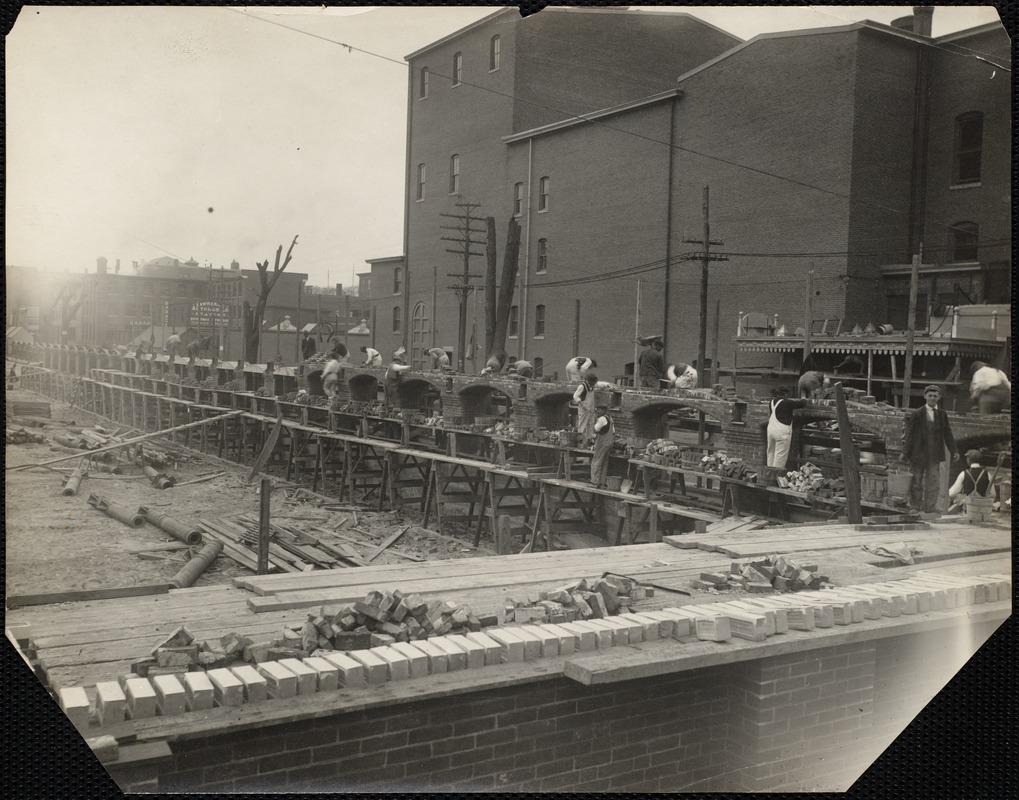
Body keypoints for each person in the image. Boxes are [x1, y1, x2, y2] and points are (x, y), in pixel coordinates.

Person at [901, 384, 959, 513]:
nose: (932, 398)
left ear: (939, 397)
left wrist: (954, 450)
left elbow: (947, 434)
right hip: (918, 454)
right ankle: (915, 506)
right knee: (916, 481)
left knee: (934, 483)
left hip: (934, 455)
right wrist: (905, 452)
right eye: (930, 396)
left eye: (935, 396)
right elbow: (910, 435)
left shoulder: (942, 414)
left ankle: (930, 507)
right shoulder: (917, 413)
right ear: (925, 396)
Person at [766, 387, 807, 469]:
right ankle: (775, 477)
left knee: (771, 453)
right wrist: (803, 395)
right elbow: (802, 403)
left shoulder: (771, 402)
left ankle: (769, 473)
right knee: (780, 456)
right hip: (781, 431)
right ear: (785, 394)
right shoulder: (787, 402)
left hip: (771, 430)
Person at [590, 404, 615, 488]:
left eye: (599, 410)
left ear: (604, 410)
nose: (597, 411)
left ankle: (594, 482)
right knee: (604, 463)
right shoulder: (610, 418)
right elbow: (613, 431)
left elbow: (596, 429)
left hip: (602, 443)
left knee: (596, 462)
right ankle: (602, 482)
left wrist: (594, 420)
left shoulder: (602, 419)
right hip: (609, 443)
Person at [573, 371, 598, 442]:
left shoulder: (592, 386)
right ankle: (580, 440)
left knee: (591, 423)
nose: (593, 384)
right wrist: (582, 404)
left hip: (591, 407)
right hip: (584, 408)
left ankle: (589, 439)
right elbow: (575, 396)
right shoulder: (582, 386)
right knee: (582, 424)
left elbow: (601, 384)